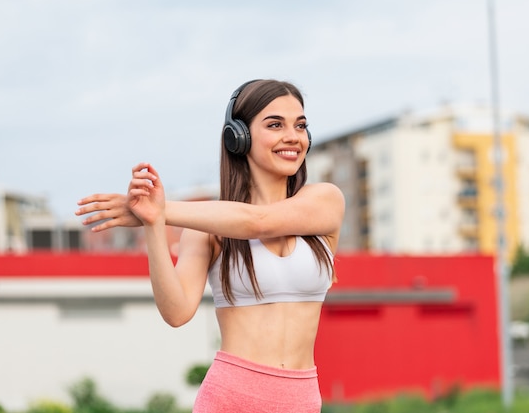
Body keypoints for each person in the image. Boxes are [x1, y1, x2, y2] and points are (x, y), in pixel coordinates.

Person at [75, 79, 345, 412]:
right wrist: (153, 223)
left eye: (300, 125)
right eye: (275, 124)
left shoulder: (325, 201)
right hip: (230, 397)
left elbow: (256, 222)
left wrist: (164, 210)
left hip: (301, 399)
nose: (293, 136)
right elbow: (176, 312)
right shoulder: (205, 228)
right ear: (238, 137)